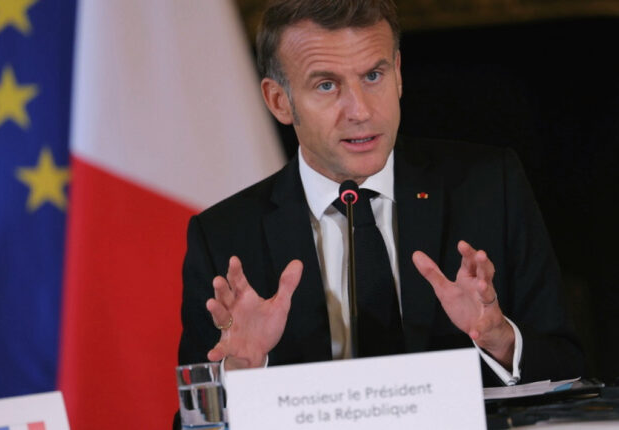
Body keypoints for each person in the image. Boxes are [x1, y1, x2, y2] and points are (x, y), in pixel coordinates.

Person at [178, 0, 583, 388]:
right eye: (326, 85)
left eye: (373, 76)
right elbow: (192, 420)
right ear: (279, 101)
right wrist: (242, 372)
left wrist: (499, 338)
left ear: (399, 73)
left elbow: (570, 370)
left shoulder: (489, 188)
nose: (360, 111)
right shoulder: (224, 239)